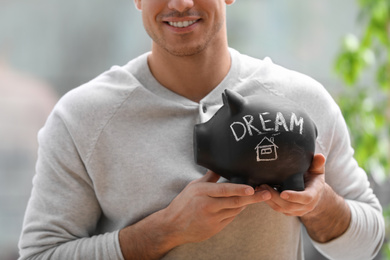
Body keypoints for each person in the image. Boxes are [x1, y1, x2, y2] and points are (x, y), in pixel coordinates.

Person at [19, 0, 384, 259]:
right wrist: (167, 230)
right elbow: (40, 254)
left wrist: (319, 205)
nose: (180, 4)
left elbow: (368, 245)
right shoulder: (81, 118)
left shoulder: (302, 99)